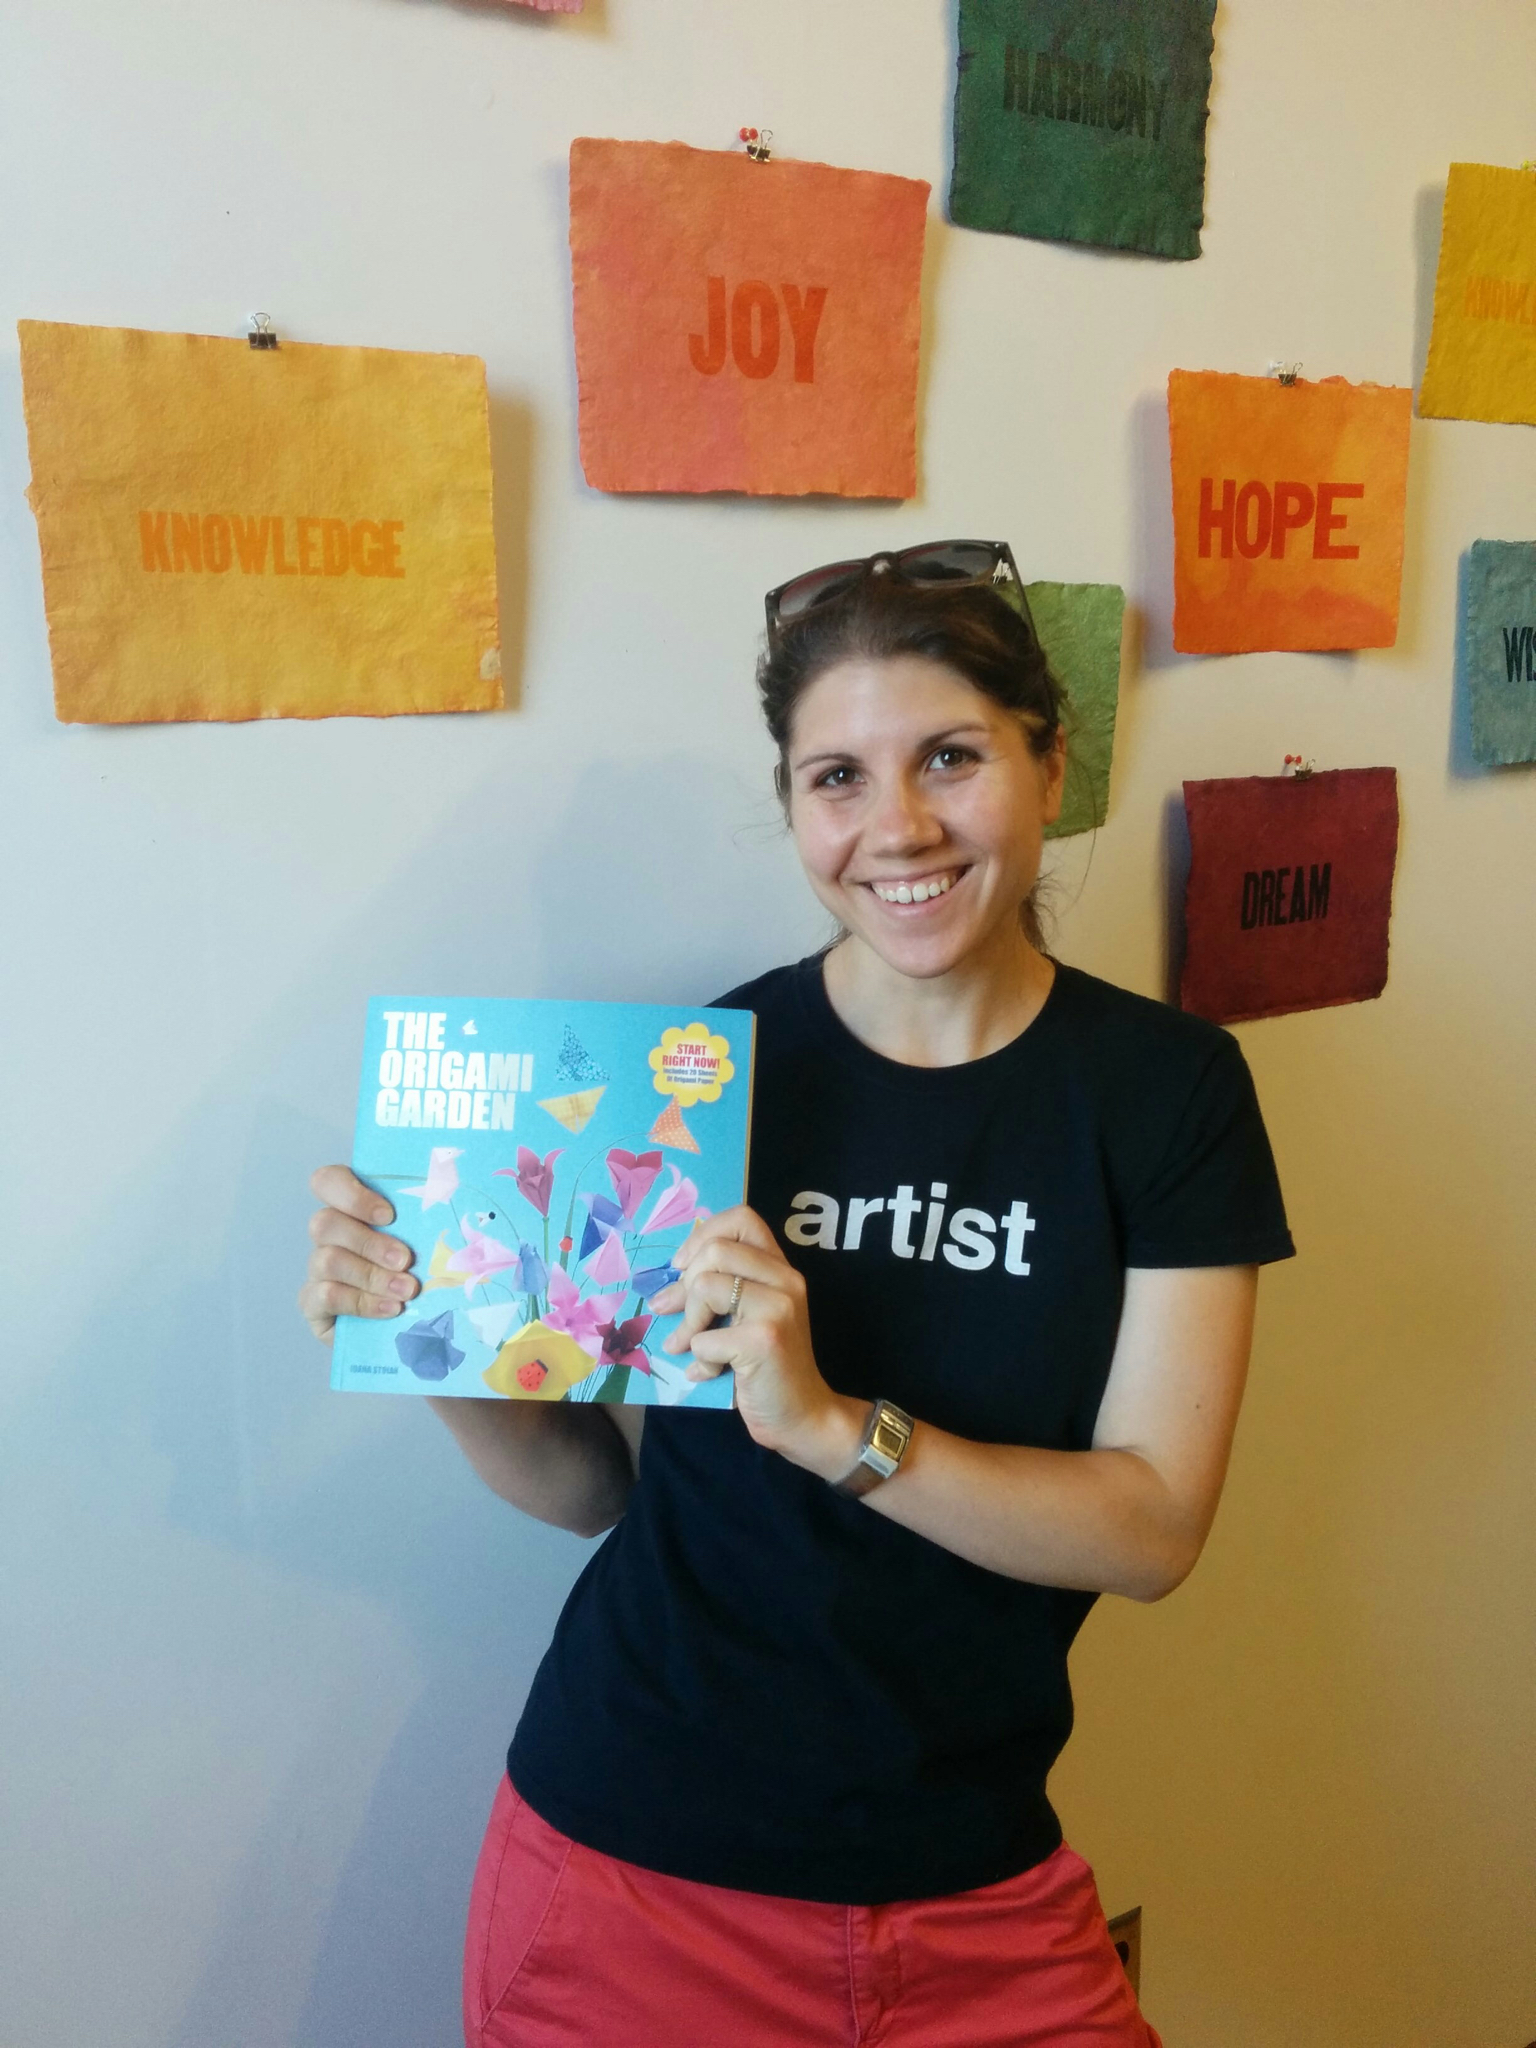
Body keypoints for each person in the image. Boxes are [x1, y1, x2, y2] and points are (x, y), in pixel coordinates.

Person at [301, 540, 1294, 2048]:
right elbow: (596, 1491)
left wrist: (835, 1428)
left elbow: (1151, 1529)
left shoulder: (1168, 1093)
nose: (898, 828)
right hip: (633, 1875)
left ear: (1049, 762)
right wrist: (425, 1336)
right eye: (838, 778)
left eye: (950, 757)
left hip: (975, 1877)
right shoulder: (697, 1079)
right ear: (792, 806)